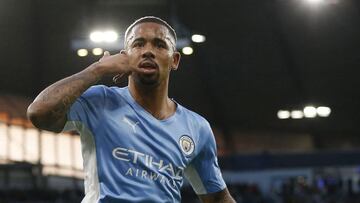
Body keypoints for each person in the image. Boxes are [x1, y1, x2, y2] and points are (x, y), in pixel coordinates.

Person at [27, 16, 235, 203]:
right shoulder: (100, 101)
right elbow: (39, 113)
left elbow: (217, 197)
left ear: (175, 60)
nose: (148, 51)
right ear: (125, 56)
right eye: (138, 44)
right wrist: (97, 69)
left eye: (160, 45)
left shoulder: (197, 128)